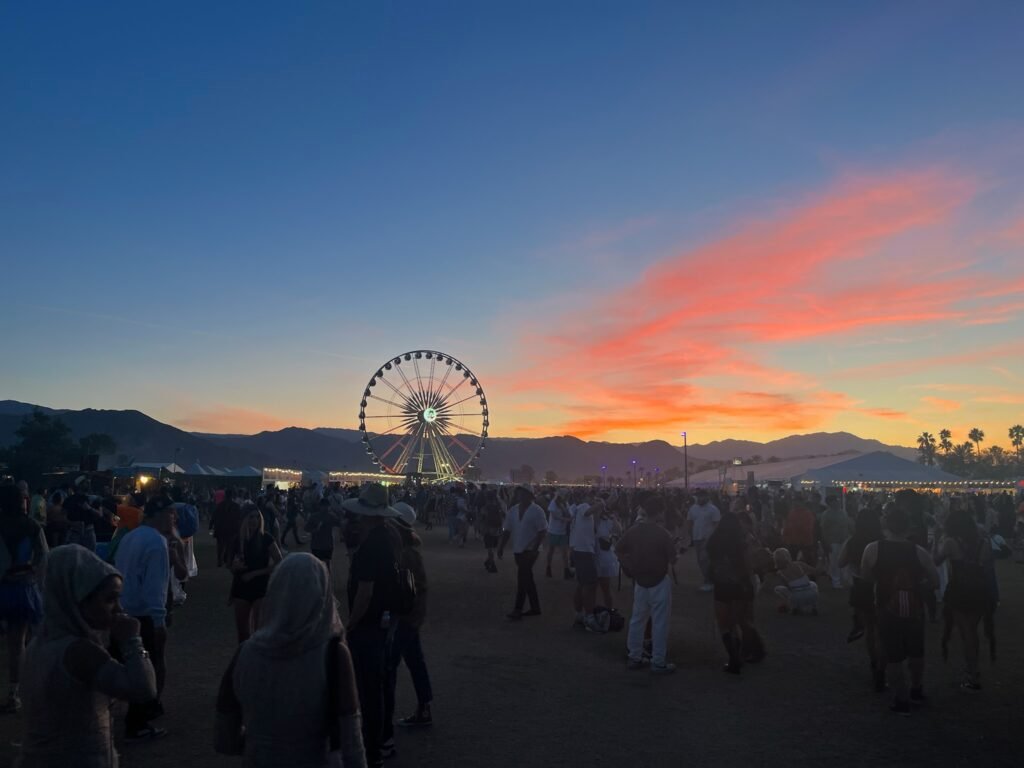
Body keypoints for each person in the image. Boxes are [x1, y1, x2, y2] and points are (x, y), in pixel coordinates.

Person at [217, 553, 367, 768]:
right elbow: (352, 744)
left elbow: (224, 740)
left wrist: (260, 744)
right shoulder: (333, 656)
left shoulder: (245, 653)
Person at [16, 545, 157, 768]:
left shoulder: (39, 645)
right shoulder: (78, 651)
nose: (118, 609)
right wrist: (132, 642)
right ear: (77, 599)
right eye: (110, 600)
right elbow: (144, 689)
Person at [343, 484, 403, 767]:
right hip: (386, 620)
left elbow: (365, 591)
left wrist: (349, 623)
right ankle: (382, 741)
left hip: (368, 625)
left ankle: (371, 749)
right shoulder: (390, 538)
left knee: (367, 690)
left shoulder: (370, 546)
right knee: (380, 684)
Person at [861, 504, 939, 715]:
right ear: (909, 527)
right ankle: (916, 688)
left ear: (885, 524)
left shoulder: (872, 549)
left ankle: (901, 697)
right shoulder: (919, 552)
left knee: (892, 653)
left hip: (885, 606)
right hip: (914, 607)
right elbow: (935, 580)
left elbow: (866, 577)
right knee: (916, 651)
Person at [113, 495, 175, 740]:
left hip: (122, 609)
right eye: (170, 513)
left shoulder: (130, 537)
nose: (174, 518)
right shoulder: (157, 542)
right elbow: (155, 585)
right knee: (149, 665)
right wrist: (159, 620)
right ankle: (140, 718)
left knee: (122, 662)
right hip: (144, 614)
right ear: (157, 515)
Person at [935, 507, 995, 692]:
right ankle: (972, 669)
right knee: (972, 631)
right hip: (979, 591)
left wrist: (938, 542)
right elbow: (988, 569)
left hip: (959, 590)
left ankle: (972, 673)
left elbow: (936, 560)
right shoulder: (983, 543)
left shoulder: (951, 542)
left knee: (966, 632)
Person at [385, 505, 434, 731]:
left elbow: (410, 589)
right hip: (411, 616)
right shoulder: (409, 551)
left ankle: (384, 718)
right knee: (415, 661)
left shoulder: (406, 555)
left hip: (405, 617)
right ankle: (424, 708)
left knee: (389, 664)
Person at [0, 483, 48, 713]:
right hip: (23, 589)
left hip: (4, 584)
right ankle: (15, 692)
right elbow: (43, 557)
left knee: (15, 643)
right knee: (21, 642)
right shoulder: (32, 526)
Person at [616, 498, 677, 674]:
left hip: (640, 581)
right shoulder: (663, 533)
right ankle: (658, 661)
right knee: (660, 623)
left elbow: (618, 549)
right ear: (658, 513)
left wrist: (628, 565)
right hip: (659, 581)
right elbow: (673, 559)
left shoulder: (633, 531)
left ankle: (634, 656)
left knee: (637, 620)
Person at [707, 512, 764, 674]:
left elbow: (709, 563)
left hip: (722, 584)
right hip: (741, 584)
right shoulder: (742, 542)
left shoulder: (713, 542)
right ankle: (755, 650)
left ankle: (734, 658)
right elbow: (749, 564)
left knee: (725, 624)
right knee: (743, 620)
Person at [839, 506, 885, 691]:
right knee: (881, 629)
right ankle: (883, 664)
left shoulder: (853, 541)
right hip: (881, 586)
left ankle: (874, 661)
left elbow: (840, 562)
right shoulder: (883, 541)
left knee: (870, 630)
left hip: (861, 586)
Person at [229, 505, 282, 643]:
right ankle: (244, 659)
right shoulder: (237, 540)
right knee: (242, 632)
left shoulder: (266, 538)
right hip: (241, 586)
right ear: (244, 519)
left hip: (260, 586)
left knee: (259, 631)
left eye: (257, 517)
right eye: (251, 517)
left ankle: (257, 659)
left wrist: (256, 573)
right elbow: (230, 565)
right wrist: (234, 567)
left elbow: (279, 562)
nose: (254, 520)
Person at [497, 485, 547, 621]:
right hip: (518, 549)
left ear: (530, 496)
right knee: (527, 579)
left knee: (522, 578)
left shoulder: (537, 511)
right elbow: (507, 530)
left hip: (530, 550)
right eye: (519, 494)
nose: (520, 496)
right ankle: (535, 607)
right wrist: (501, 546)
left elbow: (542, 531)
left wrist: (535, 548)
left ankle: (517, 609)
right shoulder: (513, 511)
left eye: (523, 494)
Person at [570, 497, 603, 632]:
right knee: (590, 585)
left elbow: (595, 526)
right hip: (584, 551)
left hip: (579, 550)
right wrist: (601, 503)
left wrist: (599, 511)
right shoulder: (583, 506)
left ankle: (579, 615)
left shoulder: (578, 512)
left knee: (582, 584)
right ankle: (589, 618)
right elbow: (589, 511)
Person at [687, 489, 720, 592]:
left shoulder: (713, 509)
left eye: (702, 496)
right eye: (698, 496)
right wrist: (690, 535)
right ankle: (709, 579)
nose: (700, 498)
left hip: (708, 539)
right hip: (697, 538)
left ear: (706, 497)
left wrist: (712, 538)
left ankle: (709, 581)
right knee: (700, 561)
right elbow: (689, 521)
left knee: (704, 560)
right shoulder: (693, 508)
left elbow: (716, 524)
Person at [769, 548, 819, 615]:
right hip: (812, 595)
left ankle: (794, 607)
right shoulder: (799, 564)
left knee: (777, 589)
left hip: (796, 597)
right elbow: (815, 571)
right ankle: (813, 606)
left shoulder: (780, 572)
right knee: (813, 584)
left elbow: (788, 586)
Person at [821, 497, 851, 589]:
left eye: (837, 501)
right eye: (834, 502)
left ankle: (842, 579)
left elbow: (847, 525)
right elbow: (824, 529)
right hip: (833, 541)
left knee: (843, 560)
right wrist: (826, 542)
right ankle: (836, 581)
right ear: (830, 504)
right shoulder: (826, 514)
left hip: (843, 540)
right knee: (835, 562)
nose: (837, 503)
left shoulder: (843, 512)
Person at [306, 498, 341, 570]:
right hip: (317, 545)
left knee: (326, 564)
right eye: (323, 506)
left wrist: (339, 513)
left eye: (327, 506)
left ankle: (326, 579)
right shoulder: (314, 516)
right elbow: (306, 528)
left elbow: (340, 523)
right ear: (319, 506)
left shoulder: (331, 516)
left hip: (327, 545)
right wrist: (315, 530)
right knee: (317, 565)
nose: (325, 508)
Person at [545, 492, 572, 579]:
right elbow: (554, 516)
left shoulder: (565, 503)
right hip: (553, 530)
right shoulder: (554, 503)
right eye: (565, 496)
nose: (566, 498)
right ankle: (548, 568)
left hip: (562, 531)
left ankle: (566, 571)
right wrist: (566, 519)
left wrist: (568, 516)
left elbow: (569, 513)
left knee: (564, 552)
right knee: (551, 551)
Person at [212, 490, 243, 568]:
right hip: (231, 529)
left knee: (220, 547)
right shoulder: (236, 506)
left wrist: (212, 525)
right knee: (230, 547)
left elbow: (215, 516)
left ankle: (220, 561)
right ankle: (228, 563)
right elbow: (239, 518)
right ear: (232, 496)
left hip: (221, 529)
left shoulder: (220, 505)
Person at [481, 490, 504, 573]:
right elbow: (502, 517)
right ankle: (489, 563)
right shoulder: (498, 506)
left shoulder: (485, 507)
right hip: (496, 530)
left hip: (488, 530)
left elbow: (483, 519)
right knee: (492, 548)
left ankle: (491, 564)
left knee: (490, 549)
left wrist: (482, 530)